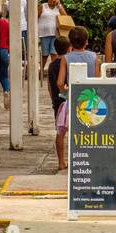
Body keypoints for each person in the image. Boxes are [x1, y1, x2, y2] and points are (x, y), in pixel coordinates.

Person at [56, 26, 100, 172]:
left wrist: (66, 90)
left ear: (70, 42)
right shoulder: (94, 58)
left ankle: (62, 162)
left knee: (61, 132)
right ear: (86, 41)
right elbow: (98, 81)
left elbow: (60, 83)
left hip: (72, 100)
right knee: (91, 133)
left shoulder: (66, 59)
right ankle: (90, 162)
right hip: (91, 102)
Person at [47, 34, 70, 170]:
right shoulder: (68, 63)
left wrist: (53, 100)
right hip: (69, 99)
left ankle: (61, 162)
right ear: (69, 48)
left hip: (57, 101)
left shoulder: (51, 65)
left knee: (60, 132)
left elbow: (50, 86)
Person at [37, 0, 65, 79]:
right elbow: (35, 16)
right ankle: (40, 72)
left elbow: (65, 16)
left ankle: (54, 73)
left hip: (55, 34)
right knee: (44, 55)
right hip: (44, 34)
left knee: (54, 54)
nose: (52, 0)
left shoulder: (58, 7)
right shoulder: (43, 6)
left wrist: (59, 5)